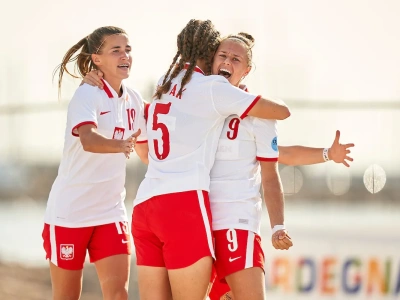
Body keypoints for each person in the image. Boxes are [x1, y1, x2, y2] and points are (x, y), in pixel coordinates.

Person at [133, 19, 290, 300]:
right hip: (183, 203)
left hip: (144, 204)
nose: (226, 61)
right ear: (210, 54)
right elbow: (281, 111)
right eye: (222, 54)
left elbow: (145, 152)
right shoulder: (212, 87)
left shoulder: (163, 82)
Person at [208, 33, 354, 300]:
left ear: (246, 70)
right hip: (199, 225)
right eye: (223, 56)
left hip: (235, 222)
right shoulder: (202, 102)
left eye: (235, 58)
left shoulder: (260, 113)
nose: (227, 61)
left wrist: (278, 226)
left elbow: (275, 162)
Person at [42, 26, 148, 300]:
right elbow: (88, 139)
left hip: (110, 212)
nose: (125, 55)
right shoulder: (87, 94)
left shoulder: (134, 98)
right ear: (96, 59)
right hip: (69, 213)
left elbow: (149, 146)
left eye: (128, 49)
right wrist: (121, 145)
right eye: (116, 50)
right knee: (67, 296)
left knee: (118, 295)